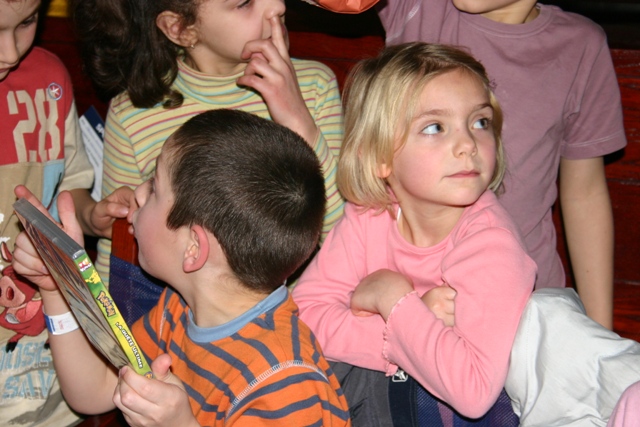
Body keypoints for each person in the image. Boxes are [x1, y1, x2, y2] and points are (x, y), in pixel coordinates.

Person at [12, 109, 352, 426]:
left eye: (155, 187)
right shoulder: (177, 309)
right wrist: (58, 286)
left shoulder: (284, 381)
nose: (139, 193)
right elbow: (94, 391)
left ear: (193, 248)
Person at [308, 0, 627, 330]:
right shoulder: (421, 6)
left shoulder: (581, 45)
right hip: (403, 303)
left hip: (524, 310)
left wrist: (599, 330)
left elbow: (584, 193)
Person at [292, 42, 536, 425]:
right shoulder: (369, 216)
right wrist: (405, 323)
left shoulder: (490, 244)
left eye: (480, 122)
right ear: (381, 158)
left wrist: (388, 295)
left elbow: (472, 392)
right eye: (435, 127)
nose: (468, 145)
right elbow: (302, 318)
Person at [71, 0, 345, 286]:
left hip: (295, 314)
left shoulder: (314, 87)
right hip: (176, 319)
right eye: (244, 3)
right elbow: (120, 253)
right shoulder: (132, 113)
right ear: (180, 29)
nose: (277, 6)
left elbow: (346, 242)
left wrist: (299, 121)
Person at [0, 0, 132, 425]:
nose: (11, 51)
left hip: (48, 385)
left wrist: (93, 217)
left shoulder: (49, 78)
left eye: (27, 23)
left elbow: (68, 187)